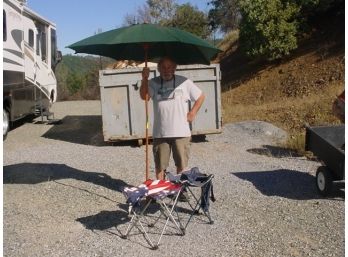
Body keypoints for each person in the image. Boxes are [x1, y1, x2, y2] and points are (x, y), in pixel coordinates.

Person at [140, 57, 205, 180]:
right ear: (158, 69)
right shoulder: (152, 82)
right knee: (160, 166)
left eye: (169, 67)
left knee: (181, 165)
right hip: (160, 133)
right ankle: (161, 191)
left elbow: (201, 96)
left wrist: (193, 112)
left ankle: (180, 190)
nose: (166, 70)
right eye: (163, 67)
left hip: (181, 132)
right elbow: (145, 96)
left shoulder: (185, 82)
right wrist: (144, 78)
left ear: (174, 68)